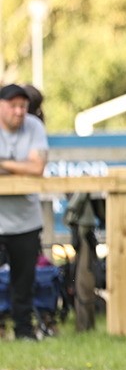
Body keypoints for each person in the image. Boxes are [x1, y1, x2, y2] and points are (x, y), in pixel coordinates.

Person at [0, 84, 49, 341]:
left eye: (23, 106)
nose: (19, 112)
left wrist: (2, 164)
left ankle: (24, 331)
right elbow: (29, 165)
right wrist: (21, 166)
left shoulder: (34, 126)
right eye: (13, 106)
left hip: (26, 220)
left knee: (24, 283)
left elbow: (37, 166)